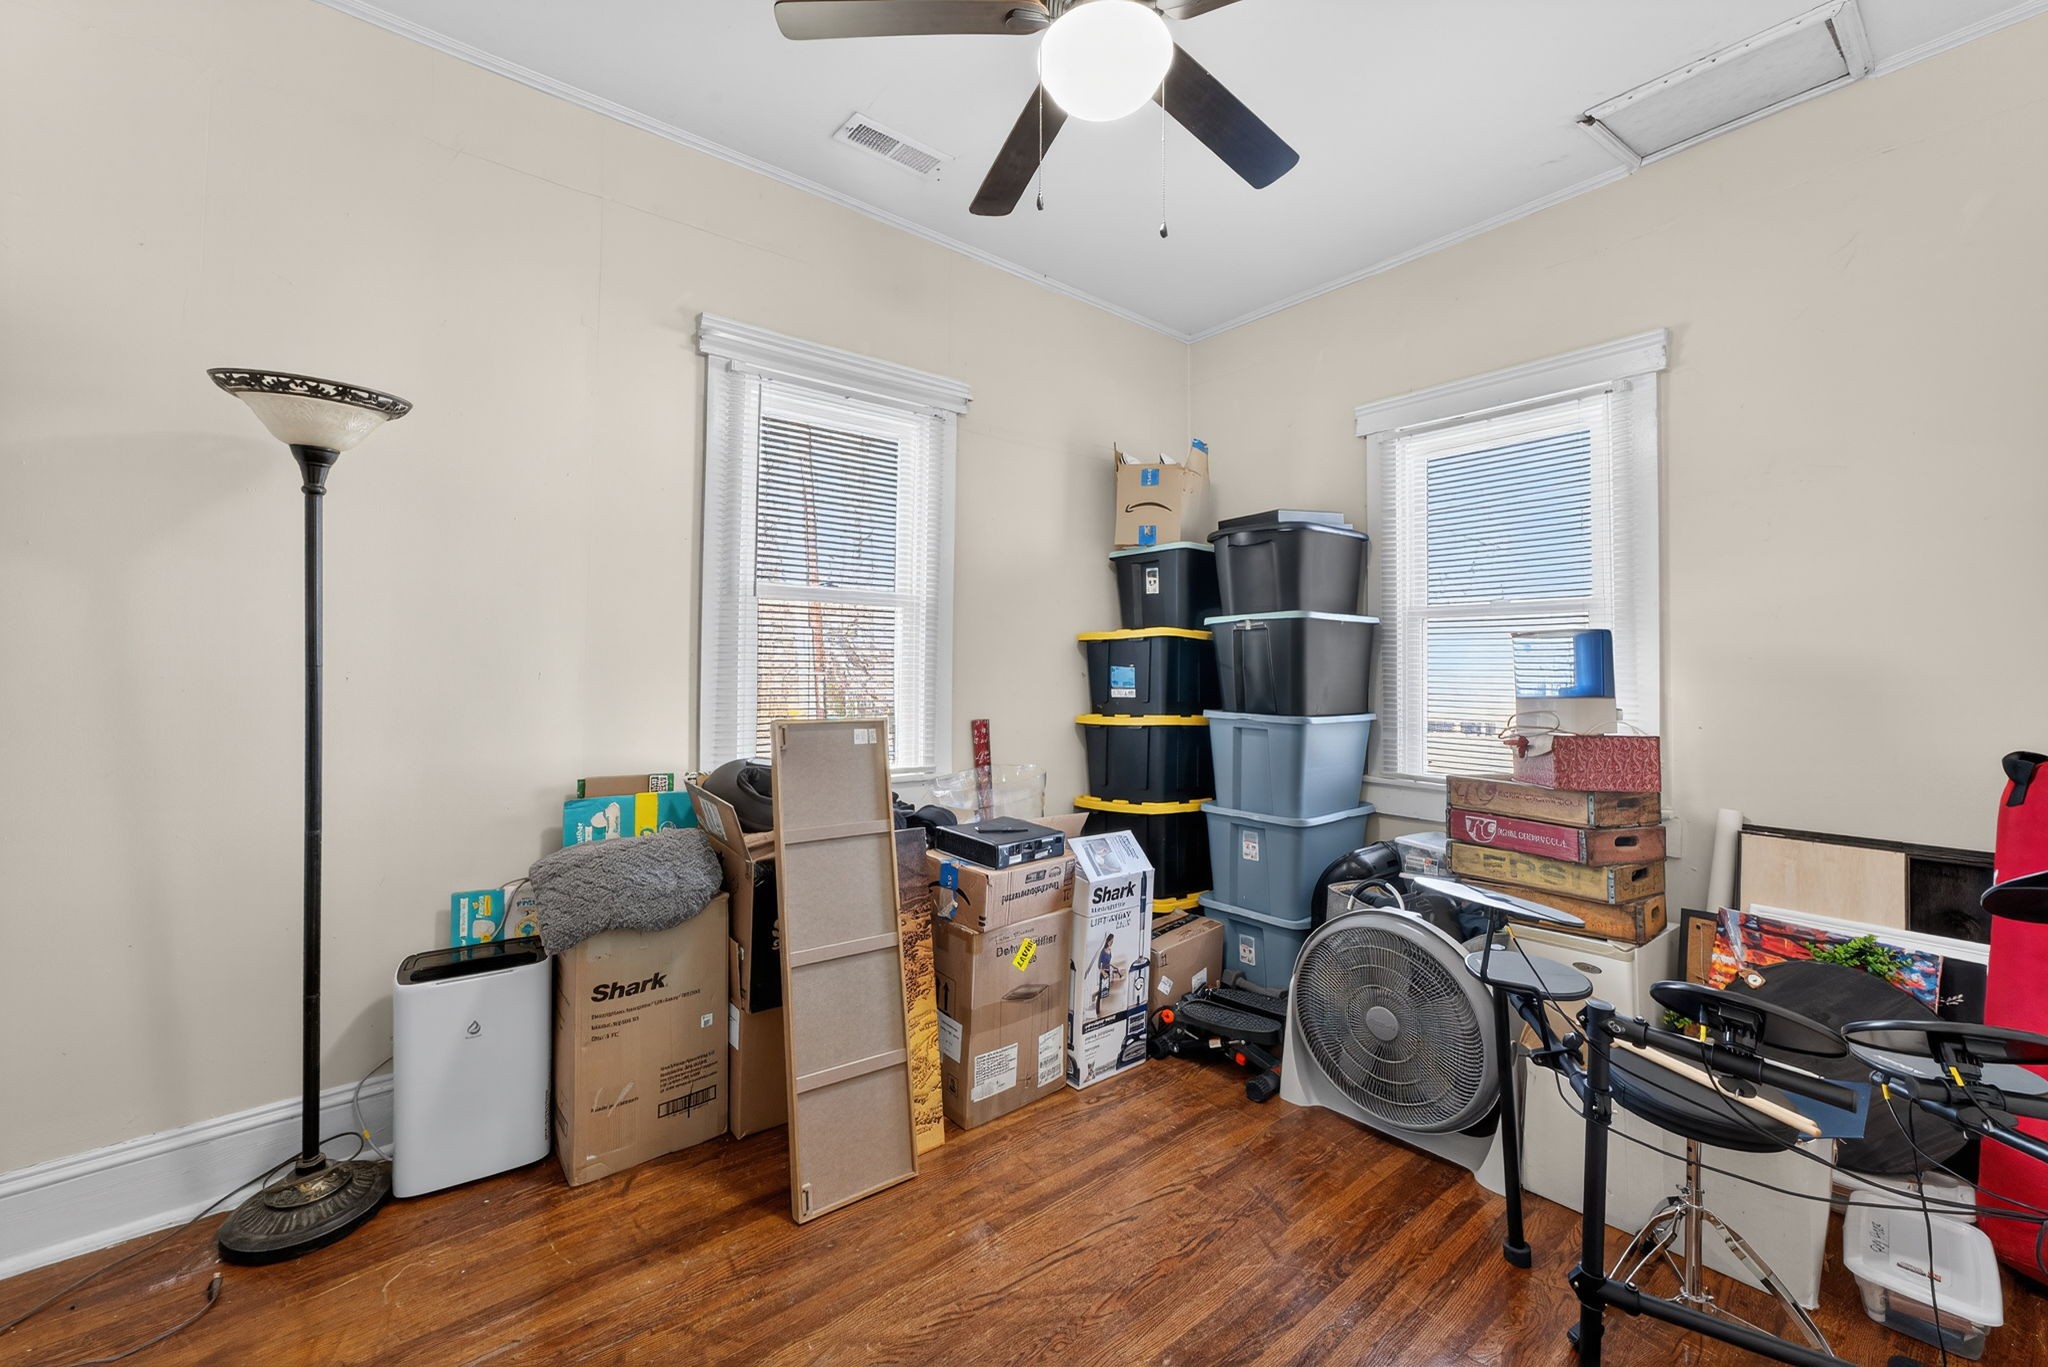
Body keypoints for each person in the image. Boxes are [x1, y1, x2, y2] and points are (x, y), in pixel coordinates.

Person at [1095, 934, 1115, 1015]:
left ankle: (1103, 1009)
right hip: (1103, 972)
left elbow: (1109, 962)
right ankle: (1098, 1010)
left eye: (1112, 941)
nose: (1111, 942)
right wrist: (1103, 972)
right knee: (1101, 991)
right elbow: (1099, 964)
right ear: (1107, 941)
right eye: (1110, 941)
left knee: (1106, 990)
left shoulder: (1110, 950)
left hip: (1108, 971)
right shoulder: (1103, 952)